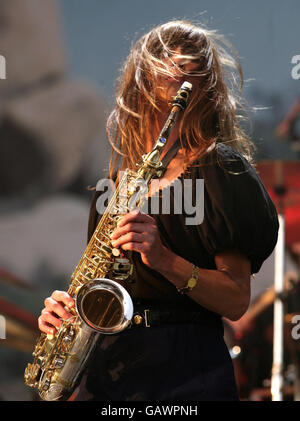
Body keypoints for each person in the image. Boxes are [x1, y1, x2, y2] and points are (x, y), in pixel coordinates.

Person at [38, 20, 279, 401]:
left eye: (191, 58)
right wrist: (66, 313)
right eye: (166, 53)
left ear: (205, 86)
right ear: (141, 80)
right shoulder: (118, 180)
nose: (179, 60)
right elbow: (100, 284)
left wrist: (164, 258)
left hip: (184, 370)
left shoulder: (223, 170)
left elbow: (235, 300)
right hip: (111, 371)